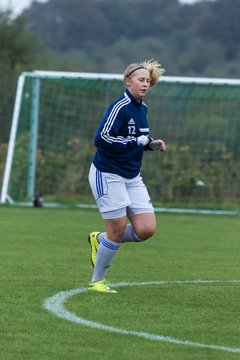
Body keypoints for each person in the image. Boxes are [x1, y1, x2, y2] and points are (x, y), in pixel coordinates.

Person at [88, 59, 166, 293]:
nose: (145, 84)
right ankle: (97, 281)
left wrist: (149, 145)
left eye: (147, 81)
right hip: (107, 174)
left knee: (146, 230)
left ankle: (100, 240)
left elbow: (135, 143)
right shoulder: (119, 107)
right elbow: (101, 140)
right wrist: (136, 141)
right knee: (117, 230)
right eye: (141, 80)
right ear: (127, 81)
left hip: (132, 177)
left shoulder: (143, 109)